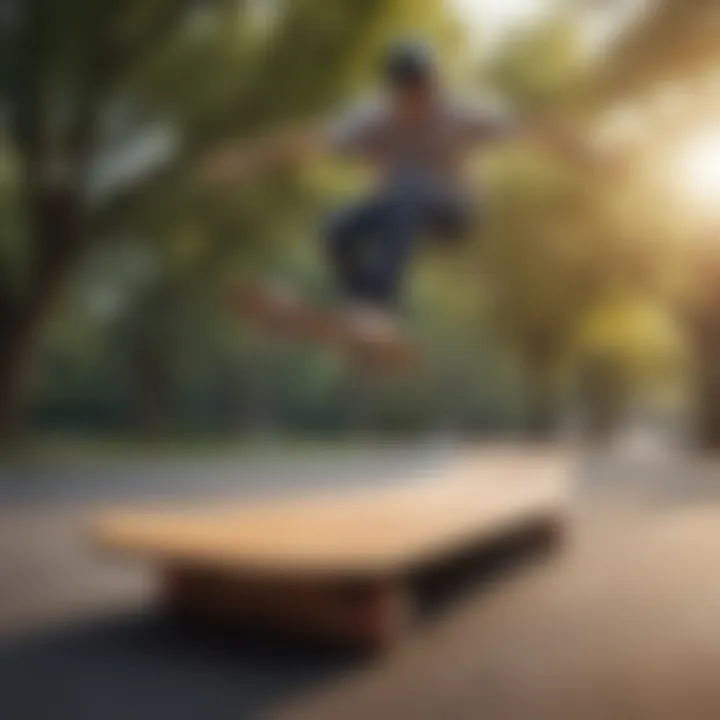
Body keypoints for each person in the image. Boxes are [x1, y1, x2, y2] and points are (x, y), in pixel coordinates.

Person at [204, 39, 597, 342]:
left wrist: (591, 153)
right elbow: (308, 142)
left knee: (408, 185)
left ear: (436, 85)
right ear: (394, 94)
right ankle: (362, 315)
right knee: (334, 228)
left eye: (426, 94)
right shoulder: (371, 117)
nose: (420, 105)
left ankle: (377, 309)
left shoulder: (461, 112)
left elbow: (531, 131)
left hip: (456, 215)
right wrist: (246, 159)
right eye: (410, 98)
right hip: (401, 211)